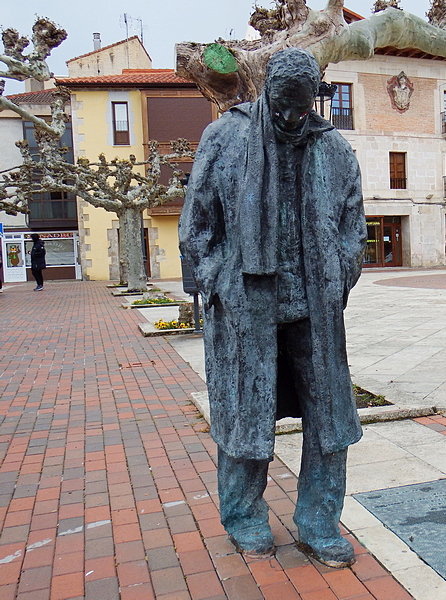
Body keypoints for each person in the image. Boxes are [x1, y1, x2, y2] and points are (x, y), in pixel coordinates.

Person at [179, 48, 367, 568]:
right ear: (267, 93)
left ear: (314, 101)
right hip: (247, 306)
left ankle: (318, 522)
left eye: (301, 108)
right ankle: (243, 517)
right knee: (245, 414)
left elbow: (354, 228)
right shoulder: (226, 136)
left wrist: (337, 277)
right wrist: (221, 283)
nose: (291, 118)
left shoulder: (334, 150)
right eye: (283, 106)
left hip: (316, 308)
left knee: (330, 420)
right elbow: (198, 226)